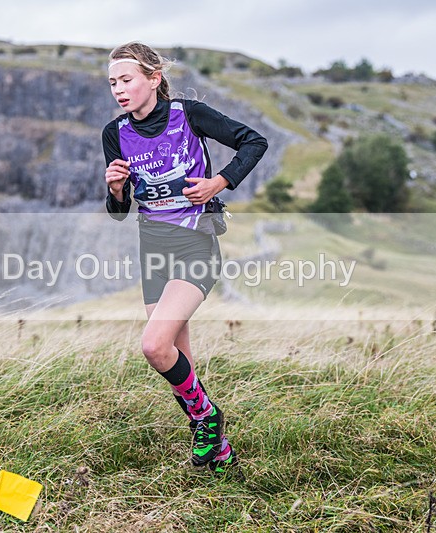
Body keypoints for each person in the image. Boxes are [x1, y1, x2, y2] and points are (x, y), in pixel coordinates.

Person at [102, 42, 269, 473]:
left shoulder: (188, 114)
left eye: (127, 80)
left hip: (196, 242)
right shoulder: (114, 133)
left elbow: (254, 142)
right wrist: (117, 189)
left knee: (154, 346)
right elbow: (119, 213)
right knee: (179, 360)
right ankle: (221, 456)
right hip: (151, 246)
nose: (119, 90)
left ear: (153, 78)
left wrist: (220, 182)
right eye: (113, 83)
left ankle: (207, 418)